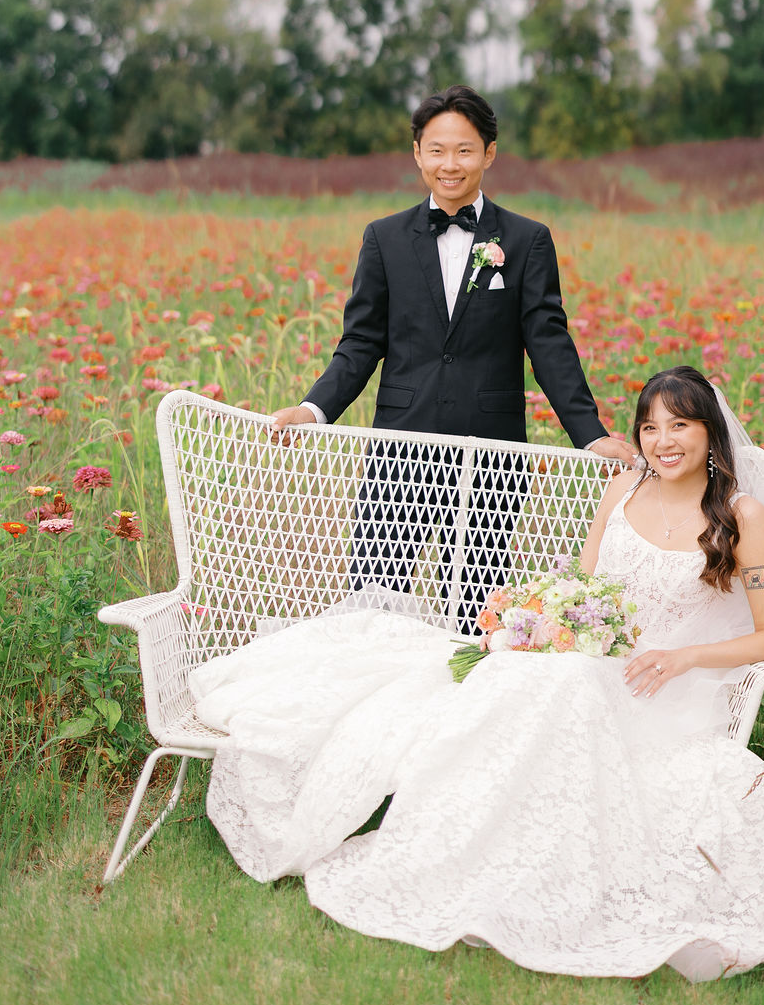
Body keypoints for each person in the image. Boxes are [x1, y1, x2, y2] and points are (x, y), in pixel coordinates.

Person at [190, 366, 764, 981]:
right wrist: (533, 621)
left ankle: (521, 873)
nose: (663, 441)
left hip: (665, 686)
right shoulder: (623, 492)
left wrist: (682, 657)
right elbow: (582, 589)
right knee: (511, 675)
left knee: (547, 686)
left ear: (709, 432)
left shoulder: (740, 517)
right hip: (589, 658)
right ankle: (456, 856)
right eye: (649, 428)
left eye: (679, 425)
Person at [268, 85, 635, 628]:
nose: (450, 164)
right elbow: (361, 342)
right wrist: (313, 409)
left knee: (480, 611)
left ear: (489, 153)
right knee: (375, 603)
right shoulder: (385, 238)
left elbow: (548, 341)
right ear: (417, 154)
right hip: (398, 449)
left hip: (490, 452)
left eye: (464, 150)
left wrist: (590, 433)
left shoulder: (527, 239)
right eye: (436, 149)